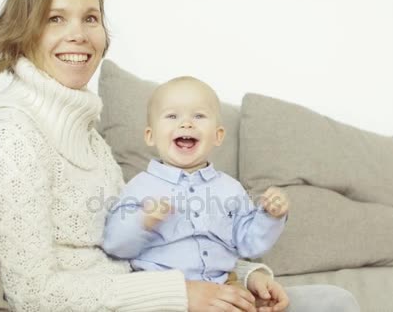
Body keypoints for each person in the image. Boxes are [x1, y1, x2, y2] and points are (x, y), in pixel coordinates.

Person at [0, 0, 361, 311]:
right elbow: (33, 294)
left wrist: (245, 275)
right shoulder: (9, 138)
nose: (78, 35)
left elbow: (146, 250)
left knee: (334, 300)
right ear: (23, 32)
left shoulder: (90, 141)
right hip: (149, 302)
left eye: (90, 18)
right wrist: (181, 295)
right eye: (55, 19)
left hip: (160, 296)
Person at [103, 77, 289, 291]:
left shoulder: (231, 189)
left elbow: (249, 244)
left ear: (218, 136)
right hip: (165, 294)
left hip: (223, 290)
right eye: (172, 116)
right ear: (150, 136)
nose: (186, 123)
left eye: (199, 116)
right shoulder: (140, 187)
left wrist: (270, 216)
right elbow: (115, 245)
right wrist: (143, 221)